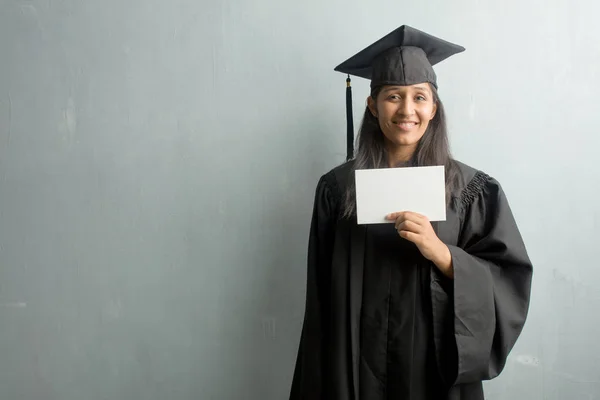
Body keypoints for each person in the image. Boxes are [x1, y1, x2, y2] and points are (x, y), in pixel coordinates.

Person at [289, 25, 533, 400]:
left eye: (419, 97)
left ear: (433, 108)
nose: (407, 110)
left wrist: (445, 255)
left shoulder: (471, 191)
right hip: (354, 371)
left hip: (431, 373)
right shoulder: (337, 190)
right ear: (372, 106)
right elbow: (320, 301)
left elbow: (508, 281)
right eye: (392, 97)